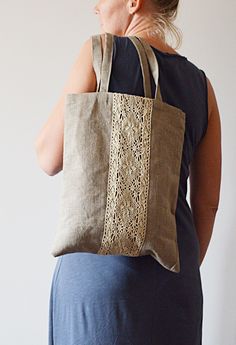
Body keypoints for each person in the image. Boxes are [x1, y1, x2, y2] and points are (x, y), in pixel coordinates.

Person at [34, 0, 222, 344]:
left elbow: (48, 156)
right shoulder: (202, 86)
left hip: (100, 282)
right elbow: (207, 204)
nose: (96, 7)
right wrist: (180, 273)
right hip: (176, 285)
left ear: (134, 2)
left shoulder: (100, 52)